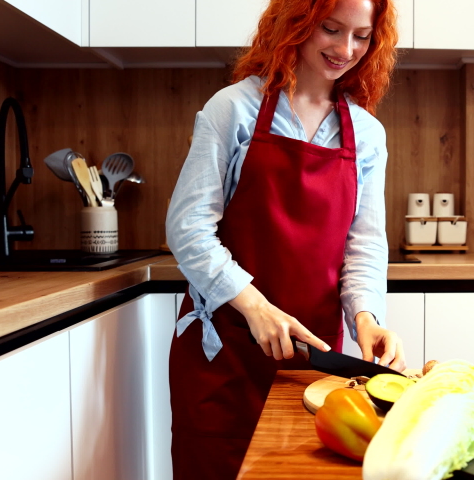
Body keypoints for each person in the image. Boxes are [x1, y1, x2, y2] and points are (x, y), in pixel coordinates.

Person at [164, 0, 404, 477]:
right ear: (295, 24)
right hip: (225, 354)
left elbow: (364, 245)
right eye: (331, 30)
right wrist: (255, 308)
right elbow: (188, 228)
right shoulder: (232, 109)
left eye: (361, 36)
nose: (345, 49)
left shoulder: (367, 135)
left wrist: (365, 319)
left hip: (311, 359)